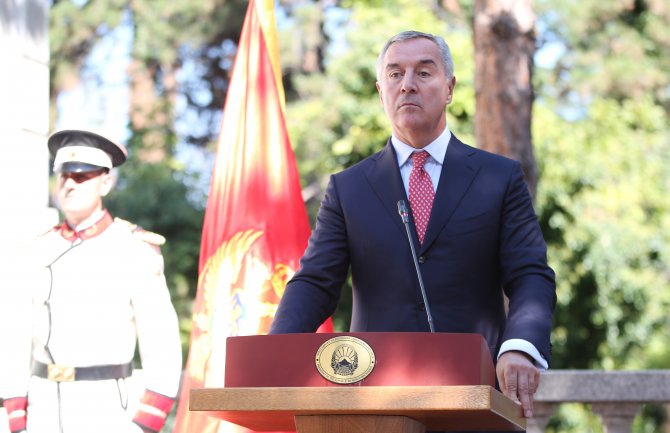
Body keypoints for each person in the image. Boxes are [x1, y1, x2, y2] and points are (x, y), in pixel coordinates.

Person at [269, 30, 556, 422]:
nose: (407, 84)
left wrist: (519, 346)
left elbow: (530, 274)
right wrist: (272, 354)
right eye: (394, 74)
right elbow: (316, 283)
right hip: (372, 401)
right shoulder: (348, 188)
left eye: (423, 72)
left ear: (449, 88)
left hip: (472, 398)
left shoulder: (499, 178)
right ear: (381, 91)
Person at [0, 130, 182, 433]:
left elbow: (161, 341)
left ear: (105, 183)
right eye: (64, 175)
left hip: (107, 409)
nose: (70, 184)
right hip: (43, 409)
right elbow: (14, 336)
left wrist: (145, 422)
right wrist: (16, 414)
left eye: (82, 176)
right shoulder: (35, 249)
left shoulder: (134, 247)